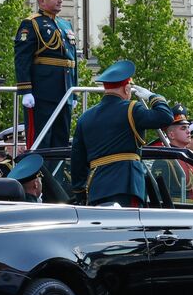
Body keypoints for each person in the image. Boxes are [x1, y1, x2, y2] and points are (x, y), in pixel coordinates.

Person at [72, 60, 175, 206]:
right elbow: (166, 117)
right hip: (126, 186)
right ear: (127, 89)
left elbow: (78, 161)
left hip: (96, 188)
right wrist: (153, 97)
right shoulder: (132, 109)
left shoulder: (85, 117)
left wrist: (80, 194)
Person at [15, 0, 79, 151]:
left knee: (61, 140)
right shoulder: (31, 24)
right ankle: (39, 178)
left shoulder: (66, 25)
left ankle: (56, 178)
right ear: (42, 1)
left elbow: (72, 62)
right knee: (42, 141)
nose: (60, 0)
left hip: (64, 91)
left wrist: (74, 92)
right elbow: (22, 58)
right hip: (43, 93)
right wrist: (26, 90)